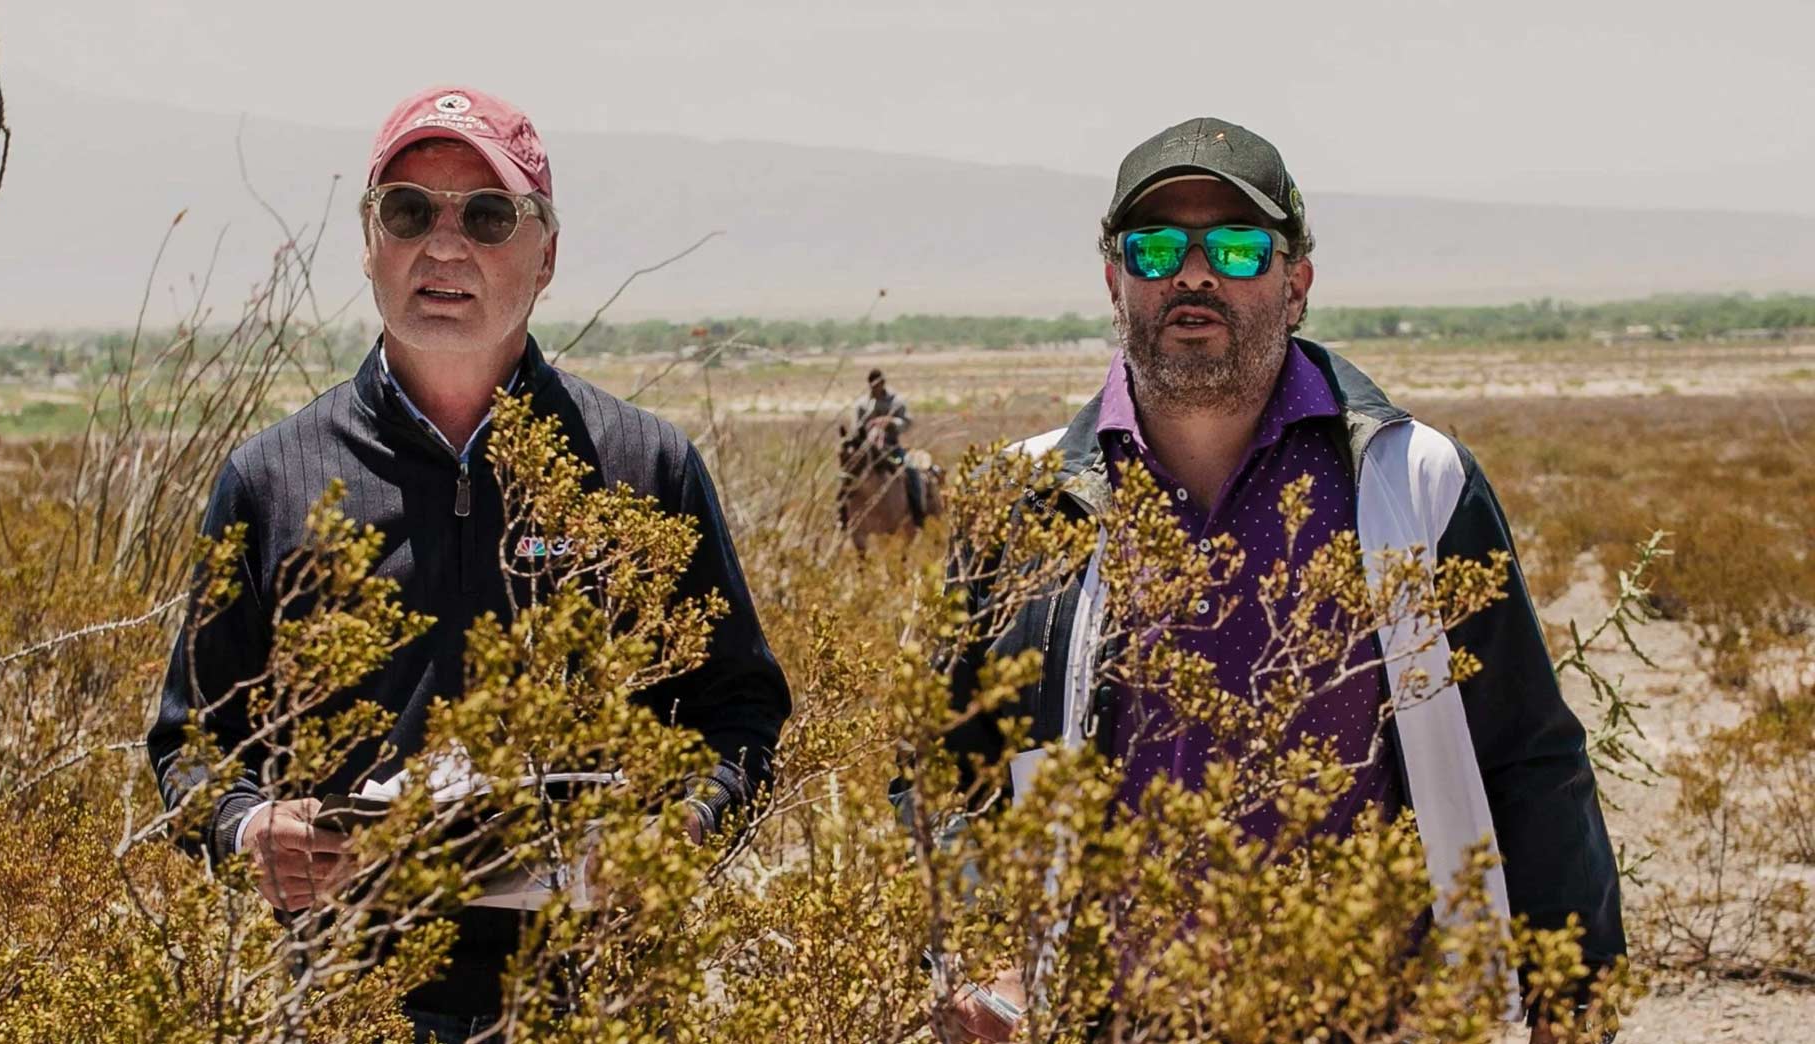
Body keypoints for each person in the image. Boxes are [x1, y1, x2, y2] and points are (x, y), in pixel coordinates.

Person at [919, 118, 1623, 1041]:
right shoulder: (1021, 502)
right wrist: (975, 953)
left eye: (1241, 247)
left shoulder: (1412, 481)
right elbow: (937, 774)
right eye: (1158, 246)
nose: (1197, 273)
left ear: (1296, 286)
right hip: (1101, 1020)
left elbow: (1529, 758)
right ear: (1113, 279)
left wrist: (1577, 1007)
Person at [146, 85, 790, 1040]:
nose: (444, 246)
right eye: (409, 211)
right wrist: (247, 831)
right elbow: (192, 741)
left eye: (489, 216)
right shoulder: (271, 477)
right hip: (341, 1001)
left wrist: (679, 830)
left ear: (547, 255)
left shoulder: (642, 467)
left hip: (592, 996)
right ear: (369, 243)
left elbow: (739, 711)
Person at [839, 367, 926, 529]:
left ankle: (917, 513)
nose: (875, 388)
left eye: (878, 384)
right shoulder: (862, 405)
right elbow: (856, 428)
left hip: (891, 448)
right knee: (847, 475)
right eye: (872, 385)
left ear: (883, 384)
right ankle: (843, 516)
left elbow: (907, 422)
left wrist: (891, 422)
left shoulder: (896, 402)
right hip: (868, 449)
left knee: (911, 470)